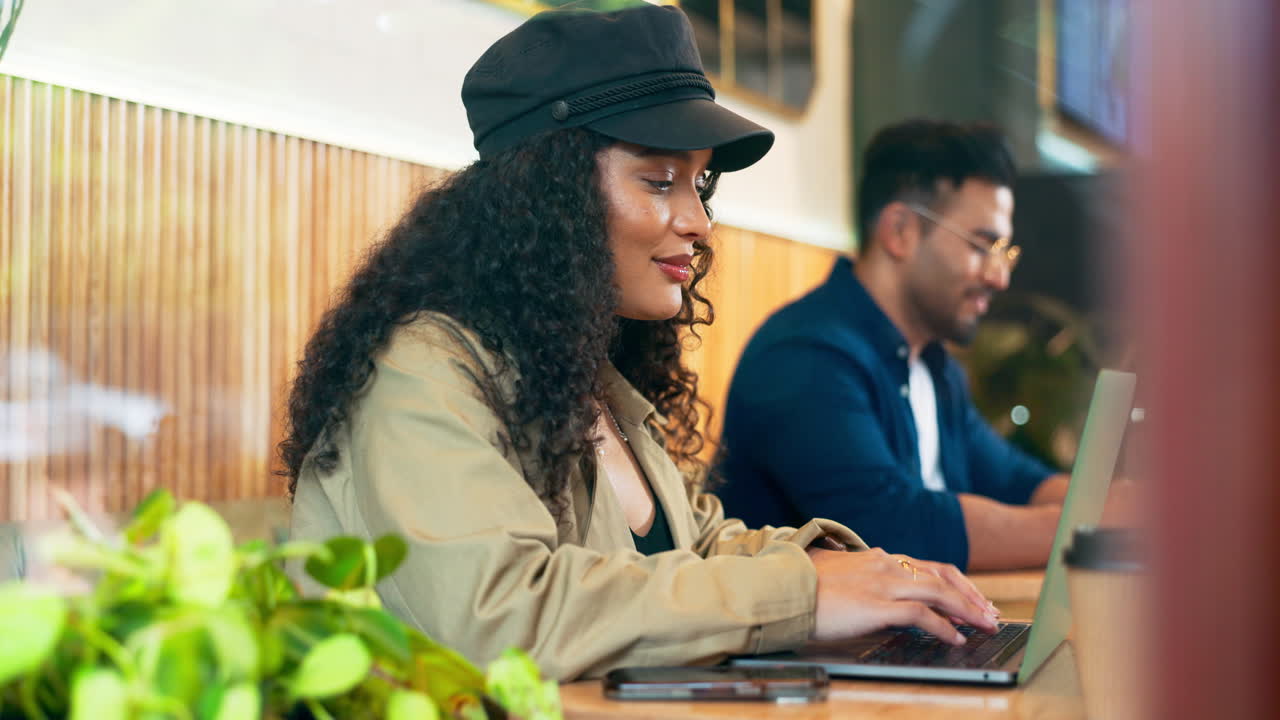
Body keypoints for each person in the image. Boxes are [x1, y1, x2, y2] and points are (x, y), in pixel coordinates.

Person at [282, 7, 997, 682]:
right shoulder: (424, 370)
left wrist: (875, 576)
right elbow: (501, 616)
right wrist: (800, 593)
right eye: (660, 180)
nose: (699, 221)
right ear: (546, 197)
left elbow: (701, 544)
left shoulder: (584, 379)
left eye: (700, 183)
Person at [715, 119, 1071, 572]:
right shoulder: (804, 357)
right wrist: (1090, 532)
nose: (999, 276)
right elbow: (890, 528)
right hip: (804, 643)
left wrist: (1115, 506)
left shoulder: (936, 367)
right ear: (900, 230)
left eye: (1004, 251)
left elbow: (1015, 480)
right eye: (982, 246)